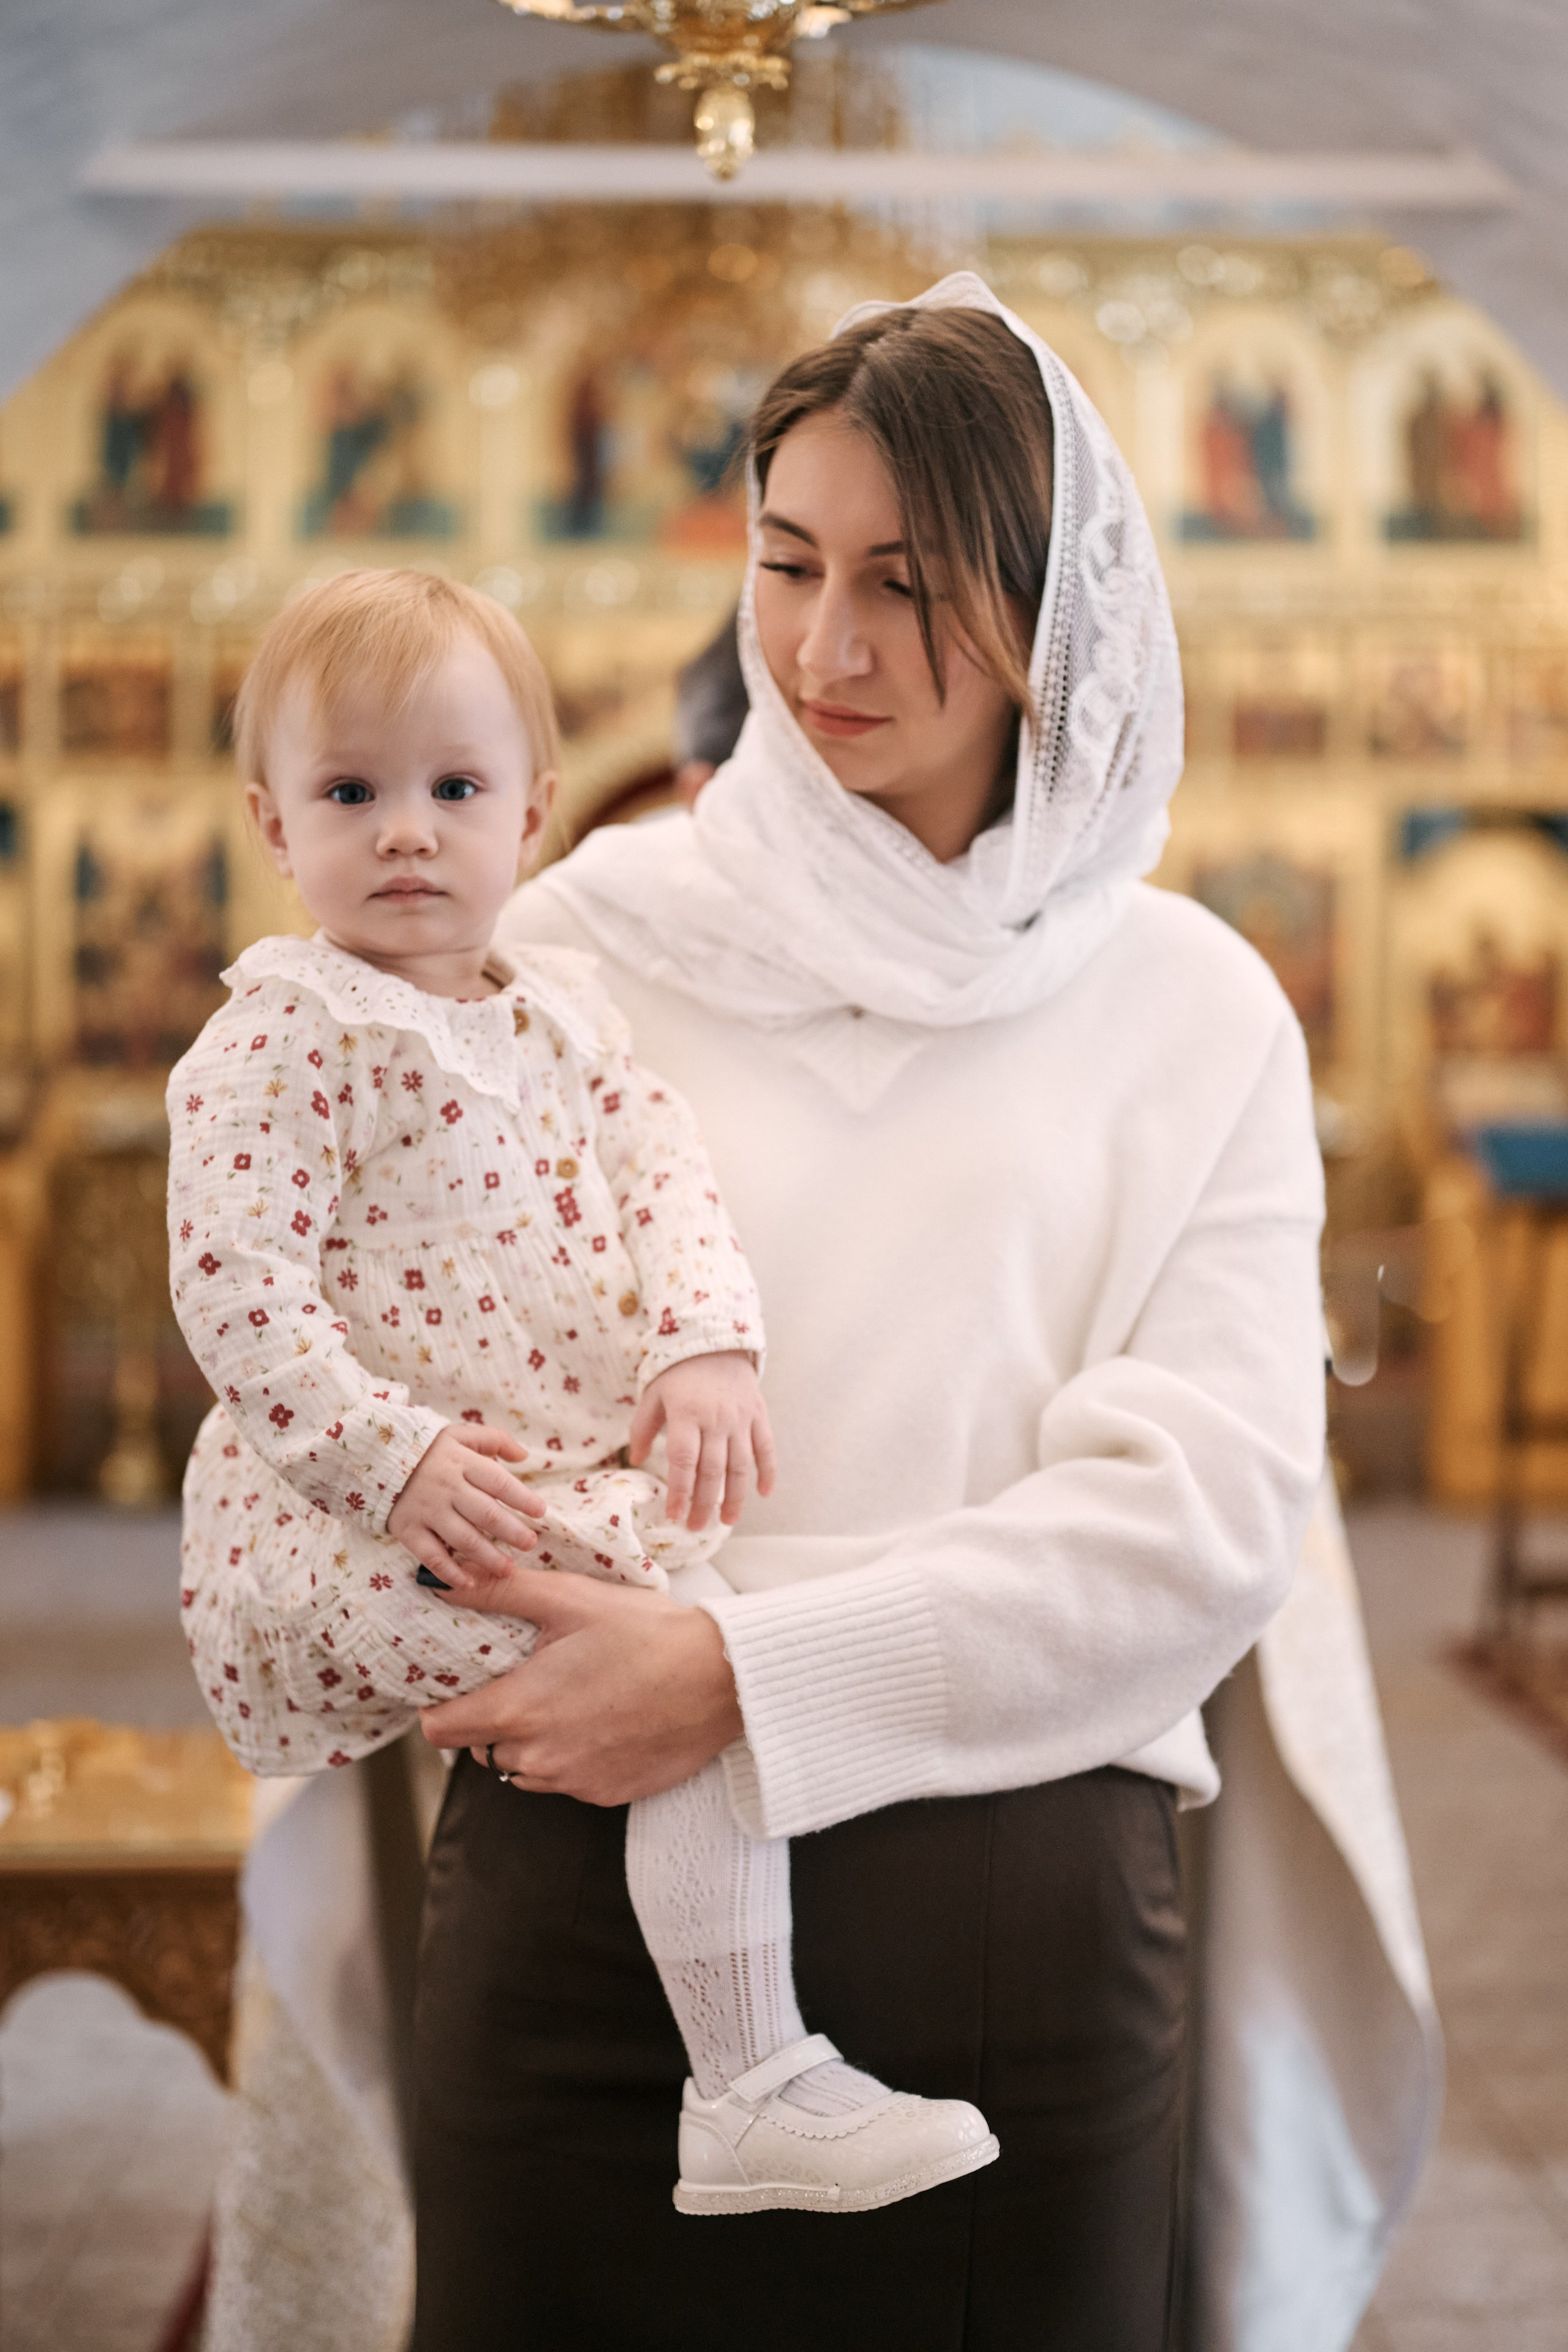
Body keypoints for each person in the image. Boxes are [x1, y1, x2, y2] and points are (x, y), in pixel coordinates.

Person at [198, 280, 1440, 2352]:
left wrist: (744, 1672)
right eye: (787, 565)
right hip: (579, 1907)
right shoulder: (574, 939)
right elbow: (350, 1318)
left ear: (1060, 615)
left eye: (911, 586)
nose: (828, 650)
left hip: (1013, 1935)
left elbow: (1203, 1524)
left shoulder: (1193, 1006)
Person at [168, 565, 1001, 2225]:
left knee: (708, 1643)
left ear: (534, 810)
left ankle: (750, 2081)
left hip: (534, 1485)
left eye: (455, 790)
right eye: (353, 792)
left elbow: (666, 1170)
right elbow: (236, 1288)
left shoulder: (564, 1012)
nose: (408, 832)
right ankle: (753, 2079)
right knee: (691, 1670)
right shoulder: (286, 1035)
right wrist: (387, 1456)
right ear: (273, 821)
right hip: (363, 1517)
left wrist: (703, 1342)